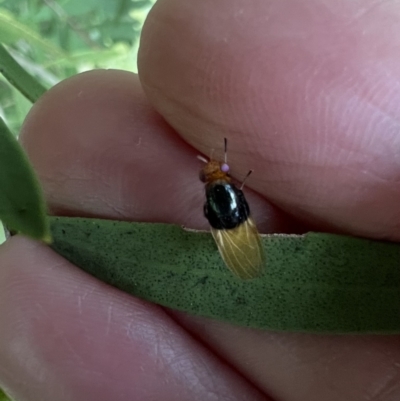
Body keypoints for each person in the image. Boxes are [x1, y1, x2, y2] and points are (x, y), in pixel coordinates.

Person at [1, 0, 399, 399]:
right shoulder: (222, 188)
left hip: (233, 226)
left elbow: (224, 203)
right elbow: (226, 202)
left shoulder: (220, 189)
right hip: (233, 227)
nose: (215, 170)